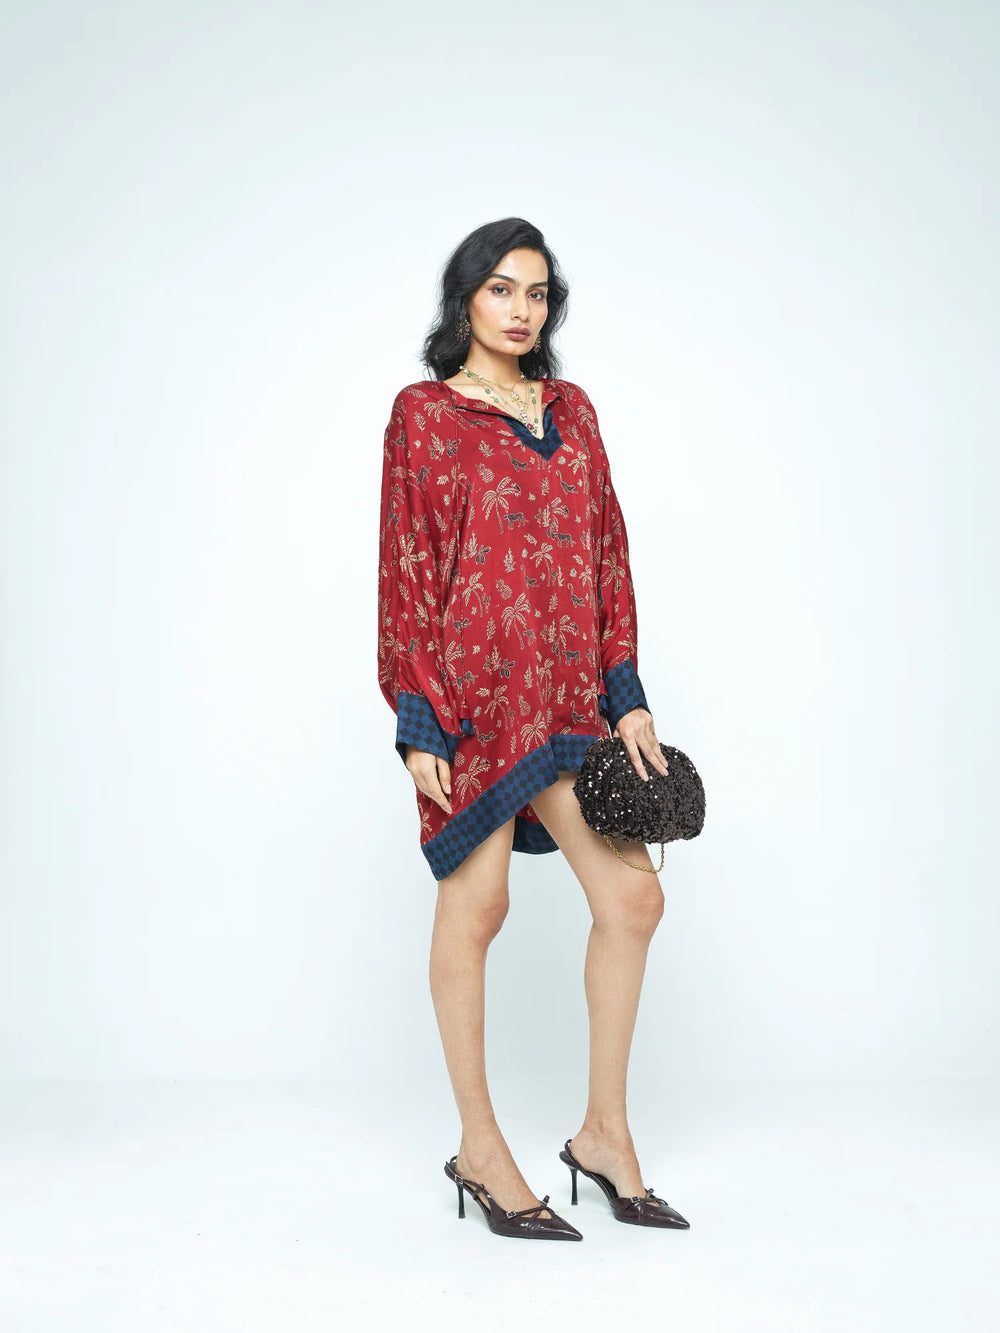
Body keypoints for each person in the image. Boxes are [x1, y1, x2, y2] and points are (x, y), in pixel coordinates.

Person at [377, 218, 689, 1240]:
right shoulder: (423, 416)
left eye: (538, 293)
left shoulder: (574, 411)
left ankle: (602, 1134)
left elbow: (607, 551)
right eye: (502, 289)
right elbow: (407, 566)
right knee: (480, 907)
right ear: (465, 296)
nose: (521, 310)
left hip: (566, 701)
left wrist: (626, 691)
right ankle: (480, 1144)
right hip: (474, 705)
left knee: (633, 898)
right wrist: (419, 716)